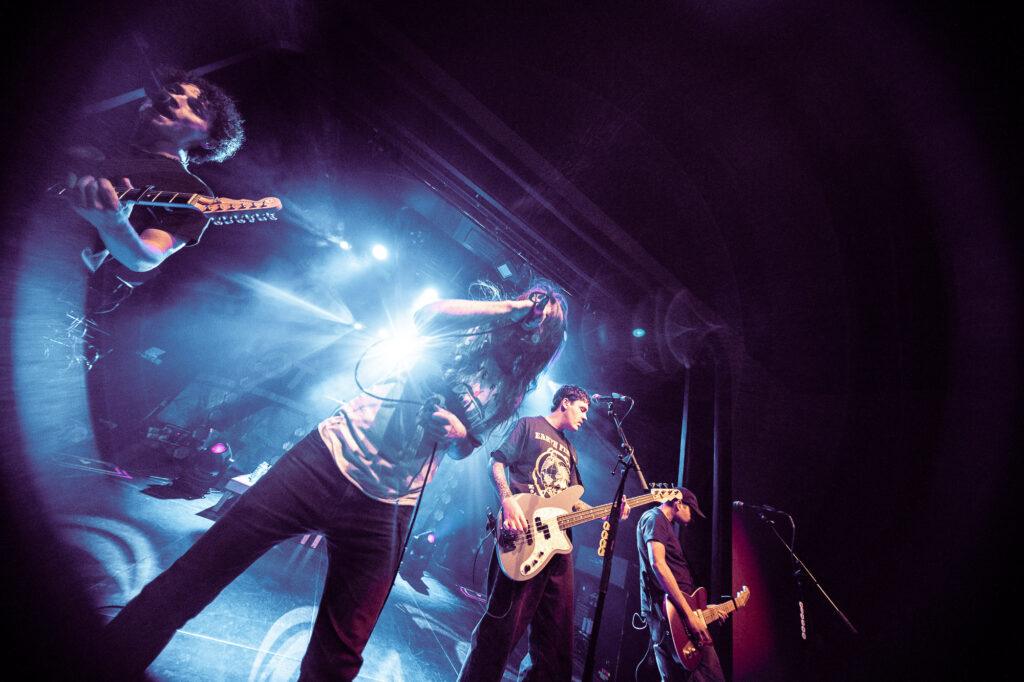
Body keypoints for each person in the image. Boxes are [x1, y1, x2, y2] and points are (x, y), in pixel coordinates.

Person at [101, 284, 568, 680]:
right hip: (325, 460)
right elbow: (427, 314)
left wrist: (457, 432)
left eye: (542, 314)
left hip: (390, 506)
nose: (532, 315)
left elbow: (469, 445)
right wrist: (509, 308)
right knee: (197, 573)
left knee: (338, 658)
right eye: (531, 303)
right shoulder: (473, 327)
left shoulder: (512, 390)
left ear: (546, 341)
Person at [458, 384, 628, 682]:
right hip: (524, 536)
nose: (585, 417)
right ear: (565, 403)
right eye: (582, 409)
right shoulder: (529, 425)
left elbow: (572, 501)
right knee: (501, 629)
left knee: (555, 645)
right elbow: (496, 463)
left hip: (558, 547)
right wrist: (507, 500)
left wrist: (607, 512)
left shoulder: (571, 450)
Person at [66, 68, 244, 273]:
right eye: (173, 90)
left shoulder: (194, 191)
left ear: (209, 141)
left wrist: (114, 224)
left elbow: (144, 260)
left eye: (195, 108)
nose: (173, 98)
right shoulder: (95, 136)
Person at [636, 489, 725, 682]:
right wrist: (690, 616)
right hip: (669, 613)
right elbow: (658, 564)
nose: (692, 517)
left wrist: (701, 610)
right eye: (690, 510)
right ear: (678, 504)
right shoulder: (655, 518)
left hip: (678, 610)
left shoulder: (663, 524)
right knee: (709, 675)